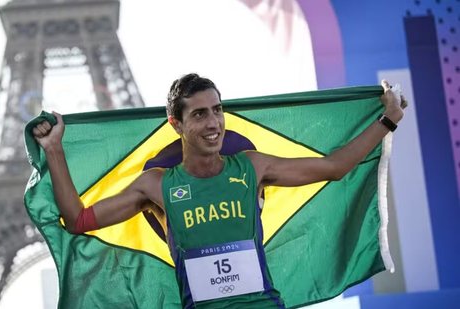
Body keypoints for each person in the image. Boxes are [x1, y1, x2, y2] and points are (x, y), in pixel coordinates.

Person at [32, 73, 406, 308]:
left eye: (217, 110)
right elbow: (78, 220)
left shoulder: (253, 167)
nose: (213, 123)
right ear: (175, 123)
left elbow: (335, 167)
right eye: (199, 114)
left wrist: (388, 119)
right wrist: (54, 151)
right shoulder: (158, 185)